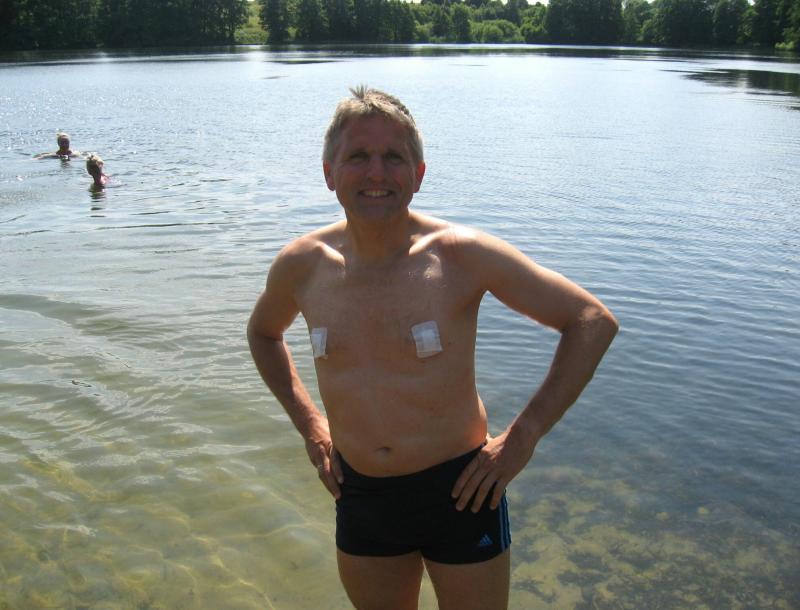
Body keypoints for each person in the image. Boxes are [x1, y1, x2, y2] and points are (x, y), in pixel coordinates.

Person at [247, 86, 618, 610]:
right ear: (329, 172)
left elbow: (591, 321)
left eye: (393, 157)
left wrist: (522, 438)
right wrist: (310, 425)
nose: (376, 172)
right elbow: (263, 334)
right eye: (358, 156)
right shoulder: (302, 266)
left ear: (418, 174)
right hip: (361, 493)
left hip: (464, 489)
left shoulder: (460, 255)